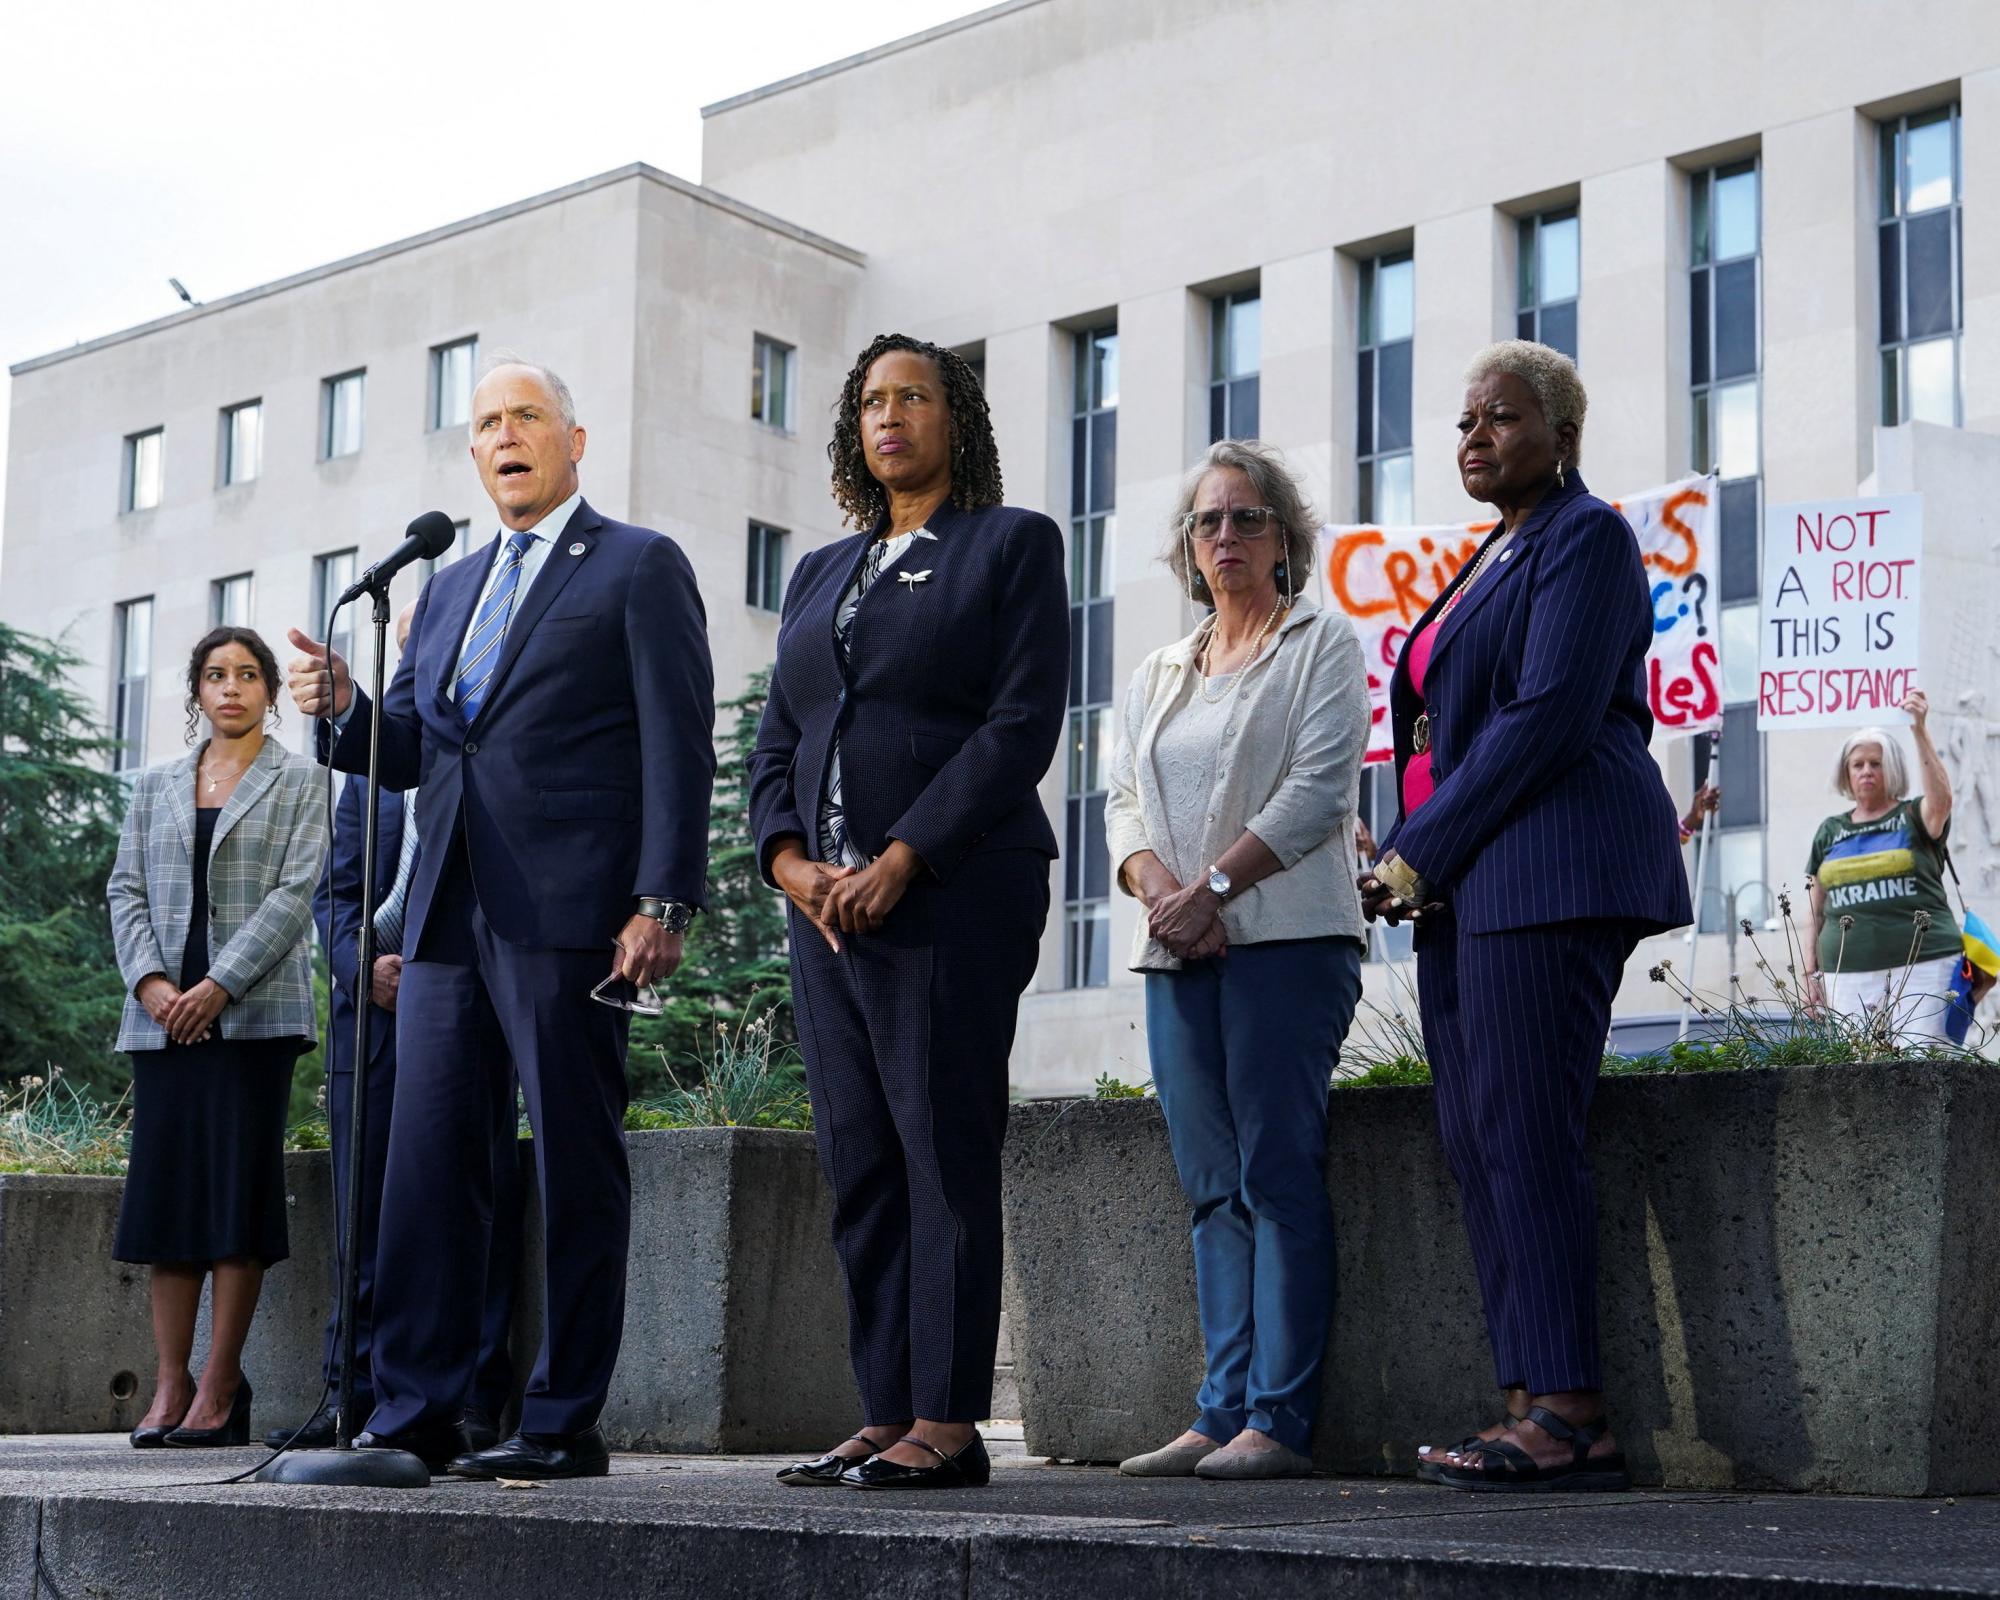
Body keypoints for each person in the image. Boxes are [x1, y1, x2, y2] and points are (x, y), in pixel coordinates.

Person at [285, 355, 715, 1478]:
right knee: (425, 1166)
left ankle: (559, 1418)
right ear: (471, 455)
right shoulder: (449, 588)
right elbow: (421, 751)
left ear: (576, 441)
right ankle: (418, 1410)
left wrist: (661, 898)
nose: (506, 435)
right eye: (486, 424)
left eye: (527, 416)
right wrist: (346, 711)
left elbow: (678, 742)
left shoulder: (637, 564)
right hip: (441, 916)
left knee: (572, 1163)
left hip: (573, 910)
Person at [1362, 340, 1690, 1492]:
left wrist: (1419, 849)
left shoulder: (1584, 534)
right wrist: (1403, 846)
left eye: (1498, 418)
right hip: (1466, 880)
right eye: (1462, 423)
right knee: (1473, 1135)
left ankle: (1570, 1412)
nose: (1473, 437)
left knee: (1521, 1125)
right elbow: (1431, 728)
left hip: (1546, 868)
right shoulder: (1486, 556)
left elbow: (1547, 711)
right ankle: (1521, 1399)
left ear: (1560, 434)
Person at [749, 334, 1067, 1491]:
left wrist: (900, 856)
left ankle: (947, 1418)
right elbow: (776, 740)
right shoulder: (816, 573)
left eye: (914, 397)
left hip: (947, 893)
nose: (890, 418)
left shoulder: (1008, 545)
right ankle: (883, 1409)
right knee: (858, 1159)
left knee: (939, 1149)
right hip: (824, 909)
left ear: (955, 420)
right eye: (873, 401)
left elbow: (1017, 725)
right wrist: (788, 862)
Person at [1104, 440, 1370, 1481]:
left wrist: (1210, 891)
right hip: (1175, 953)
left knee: (1275, 1175)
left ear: (1284, 540)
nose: (1224, 536)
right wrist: (1162, 897)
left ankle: (1278, 1418)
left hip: (1287, 945)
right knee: (1210, 1184)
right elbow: (1121, 799)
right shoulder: (1157, 671)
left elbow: (1313, 793)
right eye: (1206, 522)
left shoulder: (1320, 645)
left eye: (1245, 518)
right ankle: (1216, 1411)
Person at [264, 603, 522, 1453]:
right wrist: (361, 971)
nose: (420, 651)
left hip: (460, 999)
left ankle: (474, 1395)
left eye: (432, 638)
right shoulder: (369, 768)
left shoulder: (486, 754)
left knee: (461, 1190)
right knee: (362, 1207)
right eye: (412, 639)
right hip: (369, 1017)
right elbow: (334, 896)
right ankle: (351, 1392)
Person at [108, 627, 328, 1448]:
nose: (229, 687)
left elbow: (294, 893)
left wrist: (217, 985)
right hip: (162, 1022)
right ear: (195, 692)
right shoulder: (155, 785)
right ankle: (171, 1384)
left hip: (251, 1019)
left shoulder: (302, 781)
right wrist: (157, 986)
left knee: (234, 1200)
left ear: (270, 691)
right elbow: (124, 890)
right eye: (213, 675)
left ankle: (223, 1385)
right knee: (166, 1203)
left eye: (245, 675)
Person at [1800, 699, 1961, 1042]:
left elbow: (1943, 801)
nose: (1866, 771)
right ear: (1846, 773)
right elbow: (1814, 909)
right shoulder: (1829, 830)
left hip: (1925, 967)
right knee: (1857, 1072)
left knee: (1923, 1064)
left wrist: (1919, 729)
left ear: (1893, 770)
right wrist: (1809, 972)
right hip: (1845, 974)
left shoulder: (1914, 815)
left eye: (1876, 763)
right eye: (1857, 764)